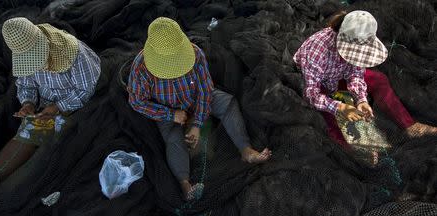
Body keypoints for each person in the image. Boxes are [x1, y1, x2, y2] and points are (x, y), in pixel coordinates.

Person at [127, 17, 272, 200]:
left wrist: (197, 123)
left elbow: (205, 91)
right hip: (166, 110)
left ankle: (245, 150)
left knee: (228, 103)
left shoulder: (196, 54)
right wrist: (171, 114)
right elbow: (137, 102)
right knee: (173, 139)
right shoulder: (141, 67)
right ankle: (185, 183)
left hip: (195, 100)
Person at [293, 10, 437, 150]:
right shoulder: (317, 51)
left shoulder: (360, 44)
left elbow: (356, 74)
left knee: (379, 79)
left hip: (340, 78)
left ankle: (409, 125)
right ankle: (351, 148)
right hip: (318, 82)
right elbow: (311, 93)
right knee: (331, 116)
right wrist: (340, 107)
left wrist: (361, 100)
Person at [0, 17, 101, 187]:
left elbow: (85, 90)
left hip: (75, 102)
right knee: (30, 131)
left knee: (51, 140)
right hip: (46, 105)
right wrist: (28, 104)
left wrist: (58, 107)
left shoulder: (74, 53)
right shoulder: (24, 53)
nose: (36, 66)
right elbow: (26, 84)